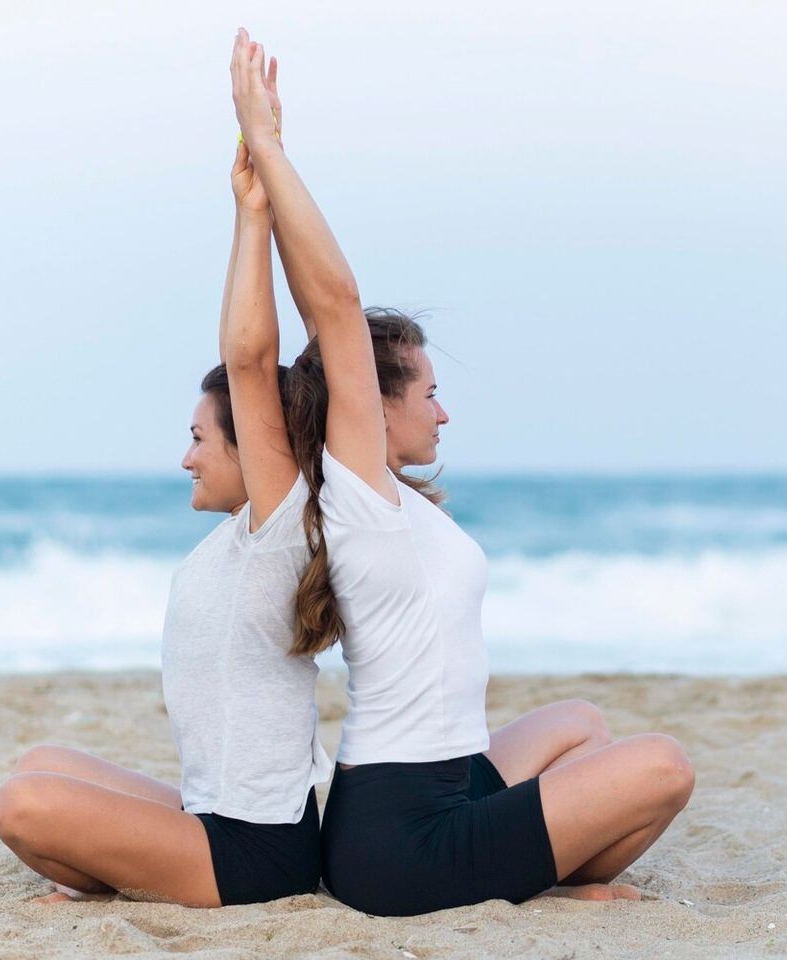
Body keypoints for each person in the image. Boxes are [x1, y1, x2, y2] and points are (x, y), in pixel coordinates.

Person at [229, 29, 696, 917]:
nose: (443, 412)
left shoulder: (398, 502)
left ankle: (534, 868)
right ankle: (547, 882)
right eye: (430, 393)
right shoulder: (360, 494)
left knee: (582, 724)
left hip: (446, 786)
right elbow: (331, 306)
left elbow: (332, 327)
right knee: (664, 766)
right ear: (378, 405)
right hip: (399, 838)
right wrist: (271, 156)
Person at [0, 50, 327, 905]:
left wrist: (254, 209)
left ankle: (131, 876)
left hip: (262, 849)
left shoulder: (283, 527)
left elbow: (249, 360)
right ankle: (138, 861)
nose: (185, 457)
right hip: (210, 811)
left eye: (200, 439)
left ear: (257, 450)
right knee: (43, 765)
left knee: (23, 804)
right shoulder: (229, 546)